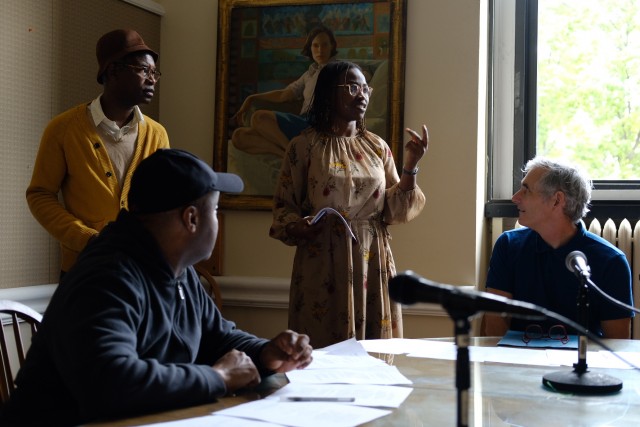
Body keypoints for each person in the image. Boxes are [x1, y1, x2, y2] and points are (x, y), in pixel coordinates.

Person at [0, 149, 313, 427]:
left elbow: (217, 336)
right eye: (215, 211)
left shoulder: (179, 270)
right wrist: (217, 378)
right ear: (191, 218)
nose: (217, 222)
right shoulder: (107, 277)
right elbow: (112, 383)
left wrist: (265, 352)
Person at [269, 60, 429, 348]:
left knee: (375, 353)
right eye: (353, 87)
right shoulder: (304, 147)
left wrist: (410, 166)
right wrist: (298, 227)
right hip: (322, 261)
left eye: (365, 87)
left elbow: (393, 210)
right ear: (330, 92)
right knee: (323, 354)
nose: (363, 94)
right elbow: (283, 208)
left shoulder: (377, 146)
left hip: (372, 258)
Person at [26, 29, 170, 276]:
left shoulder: (157, 135)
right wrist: (87, 238)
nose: (152, 80)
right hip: (84, 270)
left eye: (154, 72)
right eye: (144, 71)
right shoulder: (63, 129)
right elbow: (40, 195)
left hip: (142, 271)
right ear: (113, 70)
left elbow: (166, 200)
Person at [483, 157, 634, 339]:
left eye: (526, 190)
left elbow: (617, 344)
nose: (515, 198)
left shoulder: (611, 261)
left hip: (582, 363)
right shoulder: (507, 246)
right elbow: (494, 327)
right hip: (519, 360)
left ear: (557, 200)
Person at [231, 25, 338, 157]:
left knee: (259, 118)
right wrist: (251, 98)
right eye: (315, 46)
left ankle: (291, 152)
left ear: (332, 46)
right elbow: (283, 95)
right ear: (310, 48)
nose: (320, 50)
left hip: (318, 124)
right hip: (301, 122)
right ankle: (287, 154)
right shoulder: (308, 75)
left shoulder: (340, 69)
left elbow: (361, 79)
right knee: (238, 136)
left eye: (324, 45)